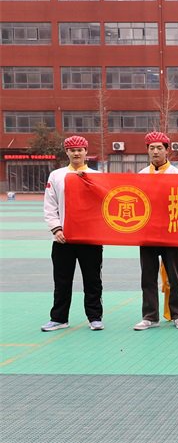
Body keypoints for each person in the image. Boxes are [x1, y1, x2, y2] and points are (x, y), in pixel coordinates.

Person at [41, 135, 104, 332]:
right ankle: (59, 318)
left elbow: (105, 203)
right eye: (72, 150)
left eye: (80, 150)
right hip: (63, 239)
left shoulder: (97, 176)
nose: (76, 153)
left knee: (93, 280)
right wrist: (56, 228)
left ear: (86, 152)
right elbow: (50, 205)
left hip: (90, 238)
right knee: (62, 280)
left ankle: (95, 317)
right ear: (67, 152)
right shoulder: (56, 176)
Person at [133, 131, 178, 331]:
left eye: (159, 148)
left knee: (175, 275)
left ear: (167, 151)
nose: (155, 151)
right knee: (148, 276)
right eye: (152, 148)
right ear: (147, 151)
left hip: (172, 233)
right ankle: (150, 316)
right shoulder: (141, 176)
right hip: (147, 234)